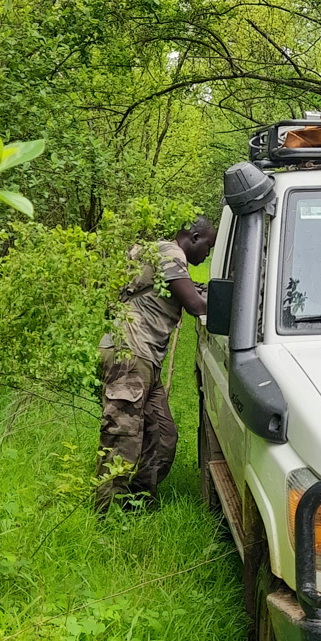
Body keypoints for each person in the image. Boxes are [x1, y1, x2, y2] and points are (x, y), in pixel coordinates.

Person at [94, 217, 216, 515]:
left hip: (143, 358)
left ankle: (138, 505)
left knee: (161, 434)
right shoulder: (170, 253)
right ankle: (106, 516)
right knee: (123, 437)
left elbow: (181, 291)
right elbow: (196, 306)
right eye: (208, 247)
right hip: (130, 355)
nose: (208, 255)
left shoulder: (159, 254)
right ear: (194, 237)